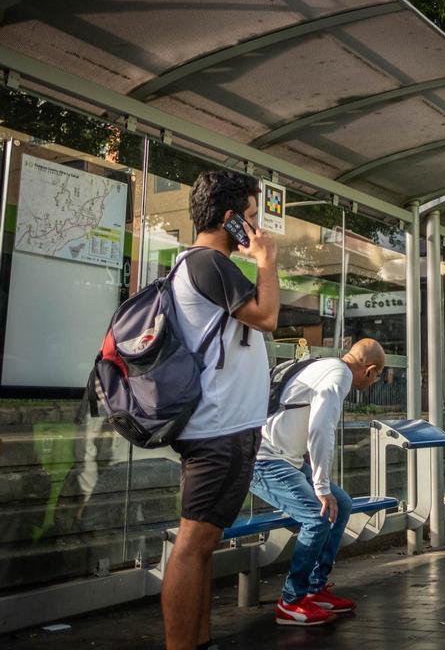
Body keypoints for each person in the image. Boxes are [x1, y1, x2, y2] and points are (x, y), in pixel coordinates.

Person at [162, 171, 280, 650]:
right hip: (217, 429)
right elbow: (268, 316)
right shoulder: (210, 263)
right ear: (232, 220)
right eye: (251, 218)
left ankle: (199, 640)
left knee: (204, 543)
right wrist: (266, 261)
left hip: (226, 427)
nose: (255, 228)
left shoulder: (204, 264)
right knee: (193, 544)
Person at [251, 338, 386, 627]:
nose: (374, 383)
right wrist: (322, 487)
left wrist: (313, 468)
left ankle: (314, 588)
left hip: (287, 459)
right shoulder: (339, 377)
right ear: (370, 370)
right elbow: (321, 428)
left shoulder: (326, 366)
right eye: (377, 377)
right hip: (264, 461)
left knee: (344, 504)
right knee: (317, 515)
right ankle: (291, 600)